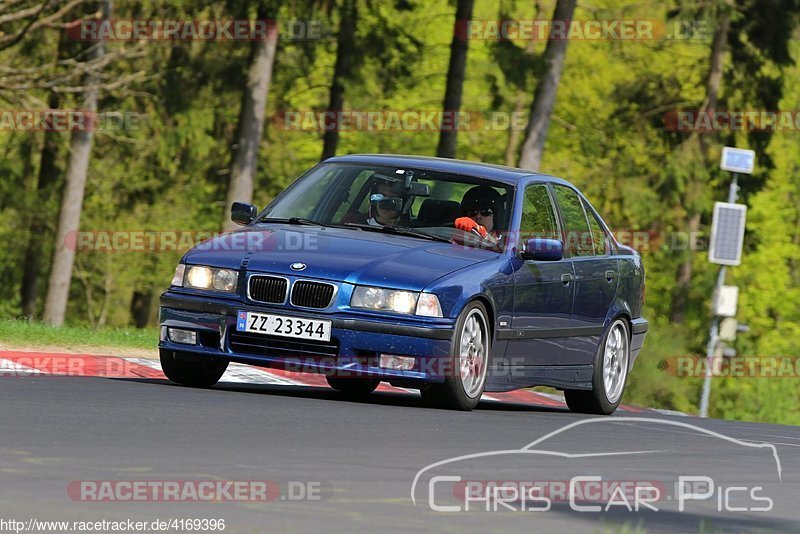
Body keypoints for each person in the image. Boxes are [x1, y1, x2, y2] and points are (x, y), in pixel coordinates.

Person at [341, 173, 406, 226]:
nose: (385, 202)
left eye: (392, 199)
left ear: (404, 203)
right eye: (381, 196)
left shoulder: (410, 232)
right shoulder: (352, 222)